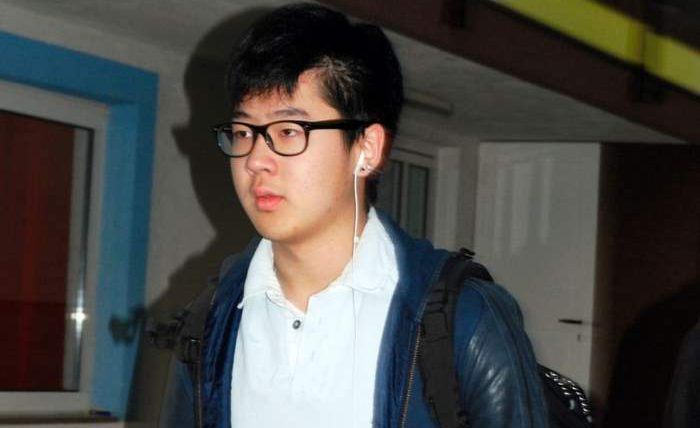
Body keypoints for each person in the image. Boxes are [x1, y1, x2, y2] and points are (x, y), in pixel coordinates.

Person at [160, 3, 547, 427]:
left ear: (366, 149)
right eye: (243, 132)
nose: (255, 160)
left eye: (288, 131)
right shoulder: (210, 319)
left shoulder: (465, 320)